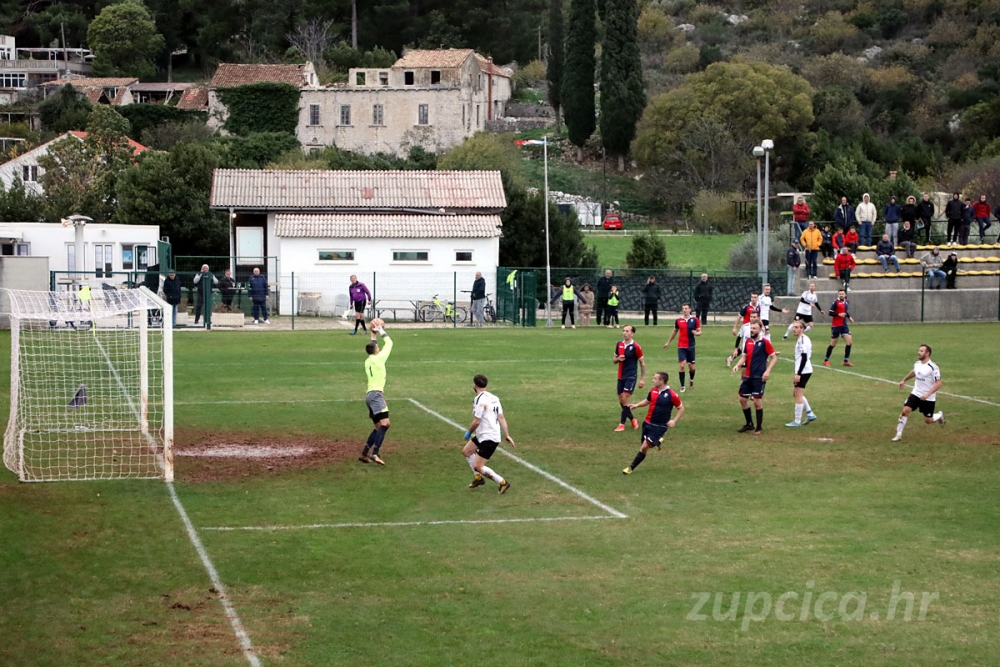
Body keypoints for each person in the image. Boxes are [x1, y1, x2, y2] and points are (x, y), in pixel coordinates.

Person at [622, 372, 684, 475]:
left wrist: (674, 420)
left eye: (655, 379)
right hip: (647, 423)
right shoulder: (653, 391)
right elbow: (647, 401)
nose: (652, 380)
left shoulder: (672, 395)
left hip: (660, 426)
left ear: (661, 381)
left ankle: (630, 468)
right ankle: (657, 442)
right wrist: (637, 405)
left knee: (644, 447)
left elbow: (681, 408)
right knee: (645, 446)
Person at [463, 374, 515, 494]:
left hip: (489, 437)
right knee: (467, 452)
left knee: (478, 466)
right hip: (484, 434)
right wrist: (507, 434)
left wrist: (469, 432)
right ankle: (478, 478)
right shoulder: (494, 398)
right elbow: (501, 417)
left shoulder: (479, 400)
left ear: (475, 385)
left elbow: (477, 421)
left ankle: (503, 482)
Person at [731, 320, 778, 435]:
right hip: (748, 376)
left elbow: (774, 358)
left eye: (754, 328)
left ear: (760, 330)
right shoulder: (748, 342)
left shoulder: (765, 342)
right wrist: (737, 365)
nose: (752, 330)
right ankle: (749, 423)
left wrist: (767, 371)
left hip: (759, 377)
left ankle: (759, 427)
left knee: (757, 401)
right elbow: (744, 357)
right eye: (751, 328)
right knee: (742, 399)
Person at [892, 344, 945, 442]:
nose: (919, 352)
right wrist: (904, 380)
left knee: (928, 420)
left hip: (928, 397)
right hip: (916, 393)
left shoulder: (933, 367)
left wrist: (927, 394)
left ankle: (939, 415)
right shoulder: (917, 364)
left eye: (921, 351)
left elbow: (939, 383)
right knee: (905, 411)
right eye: (919, 350)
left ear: (927, 353)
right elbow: (914, 372)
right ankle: (898, 434)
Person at [360, 318, 392, 465]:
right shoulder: (379, 359)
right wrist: (380, 330)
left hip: (369, 396)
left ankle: (364, 453)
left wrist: (373, 334)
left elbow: (372, 346)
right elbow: (389, 343)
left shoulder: (369, 360)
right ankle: (375, 453)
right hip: (376, 395)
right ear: (376, 351)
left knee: (378, 426)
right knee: (385, 424)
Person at [785, 319, 818, 427]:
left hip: (803, 371)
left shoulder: (803, 340)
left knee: (798, 395)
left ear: (802, 329)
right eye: (793, 327)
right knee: (796, 393)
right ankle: (810, 414)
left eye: (796, 327)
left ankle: (797, 421)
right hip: (804, 370)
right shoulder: (802, 339)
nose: (794, 329)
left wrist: (798, 373)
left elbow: (804, 357)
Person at [613, 325, 645, 432]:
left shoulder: (636, 347)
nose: (625, 333)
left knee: (625, 398)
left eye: (627, 331)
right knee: (621, 400)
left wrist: (642, 379)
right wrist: (618, 358)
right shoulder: (619, 344)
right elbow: (614, 360)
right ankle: (633, 419)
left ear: (632, 333)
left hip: (631, 376)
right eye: (624, 331)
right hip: (620, 375)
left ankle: (622, 424)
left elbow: (642, 363)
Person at [663, 303, 701, 392]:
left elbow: (700, 331)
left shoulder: (695, 320)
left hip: (691, 346)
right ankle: (682, 386)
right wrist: (668, 342)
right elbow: (675, 331)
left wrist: (696, 333)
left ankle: (691, 380)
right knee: (682, 365)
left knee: (692, 368)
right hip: (681, 346)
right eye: (683, 308)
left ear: (690, 309)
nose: (684, 310)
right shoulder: (679, 321)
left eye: (686, 308)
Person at [823, 289, 855, 367]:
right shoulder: (835, 303)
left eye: (842, 294)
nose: (841, 295)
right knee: (833, 344)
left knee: (849, 342)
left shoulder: (846, 301)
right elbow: (830, 313)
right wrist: (838, 314)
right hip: (836, 325)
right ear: (838, 295)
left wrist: (849, 317)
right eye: (840, 294)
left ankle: (846, 361)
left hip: (844, 325)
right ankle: (826, 360)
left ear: (845, 295)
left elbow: (845, 311)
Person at [728, 293, 760, 367]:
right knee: (746, 346)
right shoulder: (746, 307)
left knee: (748, 346)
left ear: (757, 298)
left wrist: (761, 326)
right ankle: (743, 362)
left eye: (755, 297)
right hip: (746, 329)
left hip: (754, 328)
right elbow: (739, 317)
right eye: (752, 297)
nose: (753, 299)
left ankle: (730, 358)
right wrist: (735, 327)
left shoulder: (758, 307)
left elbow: (759, 318)